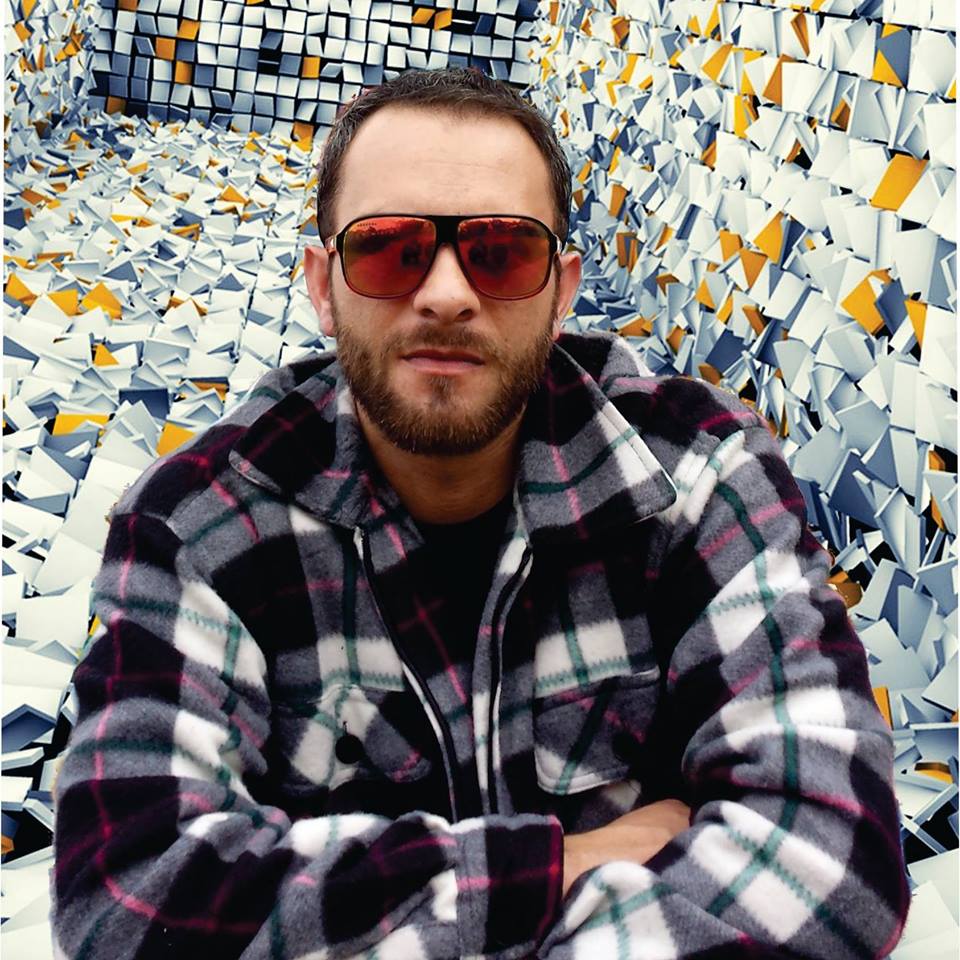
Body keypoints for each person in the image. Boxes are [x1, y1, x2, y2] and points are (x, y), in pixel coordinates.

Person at [52, 68, 908, 959]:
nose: (447, 294)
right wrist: (563, 864)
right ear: (324, 284)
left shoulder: (701, 475)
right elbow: (130, 901)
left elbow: (834, 867)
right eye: (390, 250)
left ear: (561, 292)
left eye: (501, 253)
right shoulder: (197, 524)